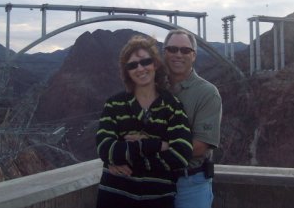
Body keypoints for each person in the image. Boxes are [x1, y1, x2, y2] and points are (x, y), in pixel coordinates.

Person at [95, 35, 193, 208]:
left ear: (155, 64)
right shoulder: (114, 104)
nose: (140, 68)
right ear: (127, 72)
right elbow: (105, 148)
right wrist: (157, 145)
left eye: (145, 62)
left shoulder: (172, 106)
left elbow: (181, 154)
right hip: (114, 199)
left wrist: (124, 159)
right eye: (132, 65)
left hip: (158, 201)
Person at [163, 29, 222, 208]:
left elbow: (200, 146)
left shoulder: (207, 93)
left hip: (190, 185)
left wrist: (150, 147)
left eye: (185, 50)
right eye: (172, 49)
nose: (178, 54)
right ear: (164, 53)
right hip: (154, 182)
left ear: (194, 55)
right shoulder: (152, 89)